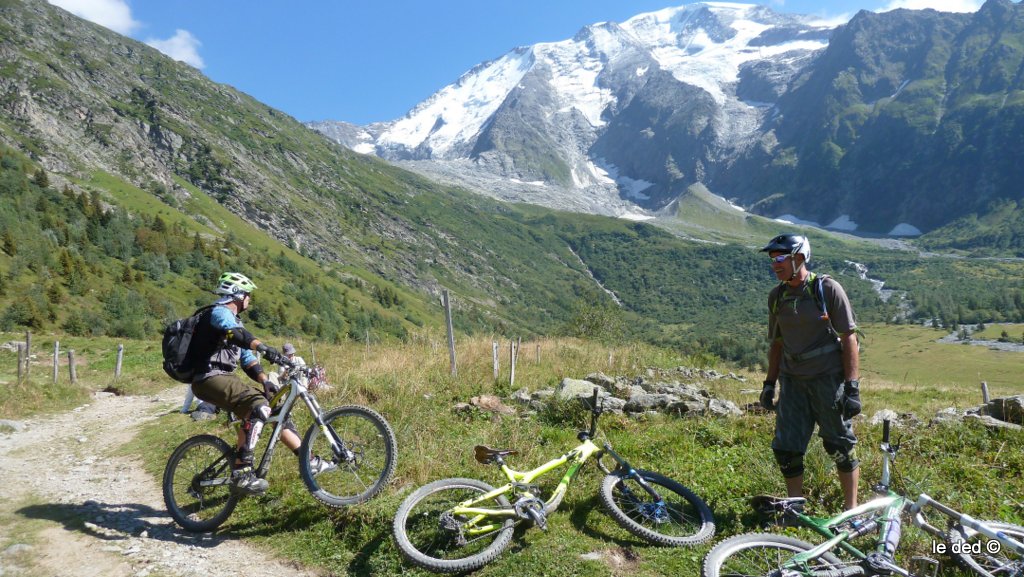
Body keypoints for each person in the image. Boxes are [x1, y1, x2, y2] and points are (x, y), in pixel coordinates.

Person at [188, 272, 333, 496]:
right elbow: (237, 334)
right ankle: (242, 473)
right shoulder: (219, 313)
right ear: (236, 294)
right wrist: (262, 346)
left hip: (222, 378)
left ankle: (309, 460)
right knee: (258, 407)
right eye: (247, 294)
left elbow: (246, 359)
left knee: (274, 408)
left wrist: (265, 381)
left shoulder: (234, 321)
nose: (249, 299)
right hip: (208, 378)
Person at [759, 234, 862, 510]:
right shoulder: (777, 296)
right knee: (786, 448)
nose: (775, 264)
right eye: (772, 259)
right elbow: (777, 344)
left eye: (780, 258)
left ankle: (850, 511)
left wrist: (852, 388)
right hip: (792, 381)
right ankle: (795, 507)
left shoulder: (826, 289)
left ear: (800, 258)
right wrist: (769, 384)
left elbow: (849, 338)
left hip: (828, 379)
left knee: (840, 445)